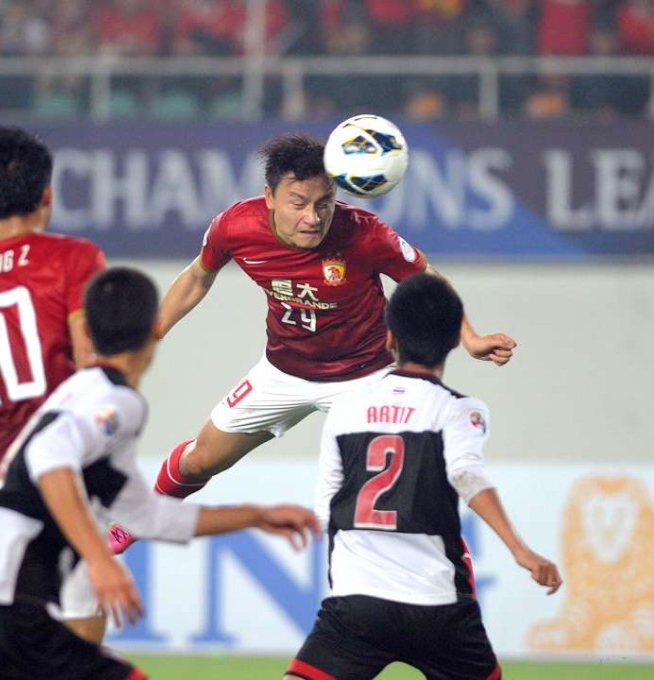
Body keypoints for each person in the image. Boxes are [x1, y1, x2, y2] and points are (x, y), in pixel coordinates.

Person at [111, 131, 515, 551]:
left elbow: (427, 280)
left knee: (407, 489)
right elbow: (198, 275)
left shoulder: (365, 234)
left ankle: (456, 569)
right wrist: (153, 331)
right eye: (298, 203)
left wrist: (470, 337)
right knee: (200, 459)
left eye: (324, 203)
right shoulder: (236, 226)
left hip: (365, 377)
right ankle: (139, 519)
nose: (313, 217)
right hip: (282, 372)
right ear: (270, 197)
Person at [0, 266, 320, 680]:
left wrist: (254, 516)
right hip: (5, 608)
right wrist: (100, 560)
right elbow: (48, 459)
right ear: (155, 328)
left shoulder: (87, 393)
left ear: (87, 333)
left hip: (1, 608)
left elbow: (149, 516)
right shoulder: (113, 401)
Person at [285, 272, 560, 680]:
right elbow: (467, 475)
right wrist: (520, 550)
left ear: (389, 337)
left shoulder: (346, 409)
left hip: (357, 603)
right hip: (436, 605)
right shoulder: (458, 409)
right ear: (454, 341)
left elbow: (327, 505)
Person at [0, 124, 107, 641]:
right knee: (79, 607)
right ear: (48, 192)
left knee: (7, 618)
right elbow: (90, 360)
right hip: (65, 458)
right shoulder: (74, 258)